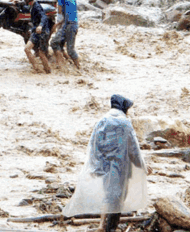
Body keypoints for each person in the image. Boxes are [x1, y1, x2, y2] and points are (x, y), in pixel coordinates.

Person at [63, 95, 150, 232]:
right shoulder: (125, 123)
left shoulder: (102, 121)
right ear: (123, 108)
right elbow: (133, 148)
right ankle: (111, 228)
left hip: (104, 166)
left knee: (107, 196)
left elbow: (93, 144)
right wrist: (142, 166)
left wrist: (94, 165)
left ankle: (102, 225)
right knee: (117, 199)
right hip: (121, 168)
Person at [51, 0, 80, 69]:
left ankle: (79, 67)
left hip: (68, 25)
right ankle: (63, 64)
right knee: (55, 42)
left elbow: (59, 11)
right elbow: (70, 11)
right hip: (73, 23)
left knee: (70, 50)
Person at [21, 0, 51, 73]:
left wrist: (40, 25)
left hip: (43, 31)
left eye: (25, 0)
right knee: (27, 49)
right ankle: (37, 69)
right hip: (35, 31)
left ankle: (48, 70)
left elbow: (44, 17)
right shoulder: (31, 6)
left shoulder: (37, 6)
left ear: (28, 0)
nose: (24, 1)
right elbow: (24, 8)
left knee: (41, 53)